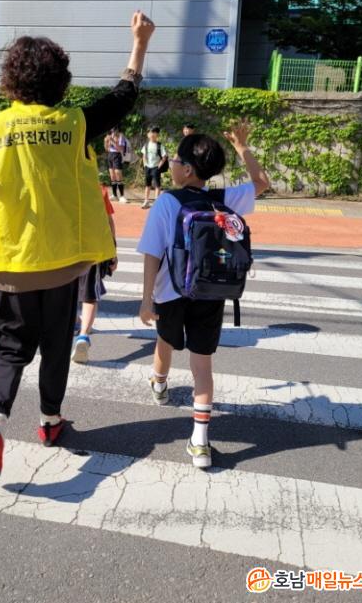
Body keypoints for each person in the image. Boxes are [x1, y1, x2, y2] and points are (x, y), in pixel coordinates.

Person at [0, 11, 155, 480]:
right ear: (60, 80)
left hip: (7, 265)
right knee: (54, 349)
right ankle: (50, 422)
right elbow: (122, 97)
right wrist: (139, 44)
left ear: (11, 80)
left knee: (10, 352)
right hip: (61, 265)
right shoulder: (74, 125)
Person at [137, 121, 269, 468]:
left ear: (187, 169)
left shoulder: (167, 202)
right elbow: (261, 183)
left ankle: (160, 384)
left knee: (165, 341)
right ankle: (200, 442)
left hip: (170, 292)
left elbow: (152, 253)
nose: (171, 164)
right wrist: (242, 147)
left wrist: (146, 299)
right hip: (211, 291)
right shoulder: (223, 199)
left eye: (175, 161)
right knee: (202, 365)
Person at [71, 184, 118, 364]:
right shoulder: (99, 189)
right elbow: (108, 221)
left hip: (66, 248)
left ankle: (74, 321)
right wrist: (113, 251)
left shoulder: (60, 182)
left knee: (68, 287)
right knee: (90, 294)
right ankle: (83, 335)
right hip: (93, 249)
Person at [141, 126, 167, 209]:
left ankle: (156, 202)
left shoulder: (160, 145)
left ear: (157, 134)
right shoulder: (146, 145)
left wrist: (159, 166)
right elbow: (144, 155)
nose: (152, 134)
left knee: (157, 185)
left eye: (154, 132)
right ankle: (146, 201)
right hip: (147, 167)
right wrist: (145, 165)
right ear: (147, 134)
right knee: (147, 185)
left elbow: (164, 157)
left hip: (156, 167)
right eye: (150, 132)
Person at [104, 126, 129, 203]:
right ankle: (114, 195)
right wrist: (106, 142)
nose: (113, 131)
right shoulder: (110, 135)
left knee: (118, 173)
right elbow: (107, 149)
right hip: (110, 155)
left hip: (117, 155)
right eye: (112, 130)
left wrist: (113, 141)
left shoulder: (121, 136)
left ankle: (122, 196)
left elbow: (120, 149)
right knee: (112, 176)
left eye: (114, 129)